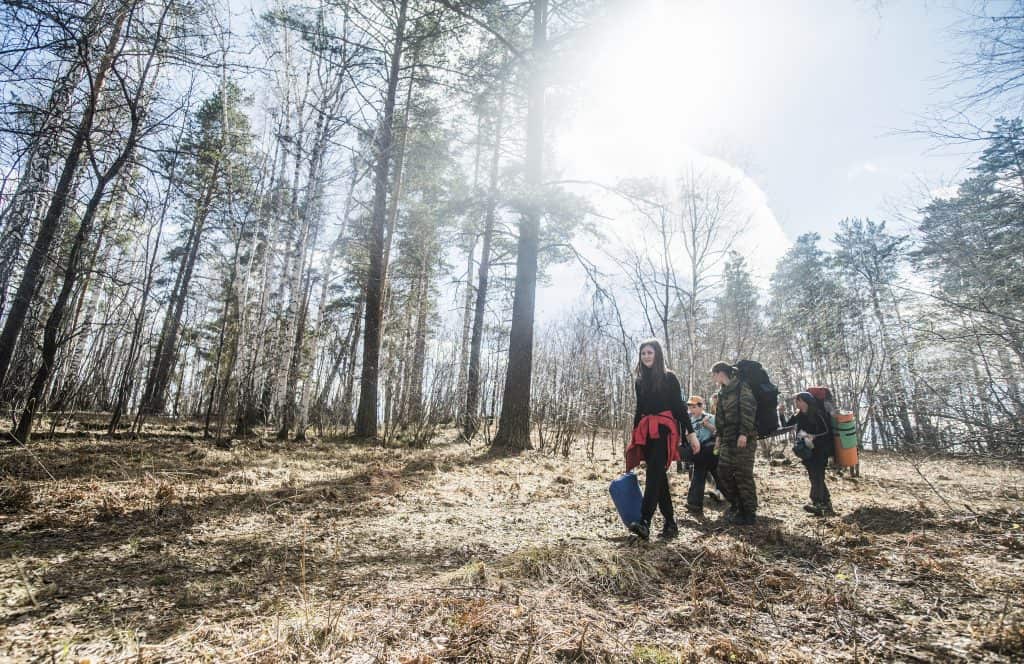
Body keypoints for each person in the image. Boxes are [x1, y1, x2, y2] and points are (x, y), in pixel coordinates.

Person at [627, 339, 700, 540]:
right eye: (643, 353)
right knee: (658, 475)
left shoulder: (669, 377)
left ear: (657, 354)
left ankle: (645, 521)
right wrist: (635, 435)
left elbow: (680, 408)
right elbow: (639, 409)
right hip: (647, 431)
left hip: (665, 432)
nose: (646, 356)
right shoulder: (640, 381)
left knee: (654, 472)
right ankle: (670, 523)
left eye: (649, 352)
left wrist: (691, 434)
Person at [710, 361, 758, 526]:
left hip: (744, 437)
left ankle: (749, 512)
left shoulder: (741, 386)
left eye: (714, 374)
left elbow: (748, 410)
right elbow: (720, 417)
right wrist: (719, 437)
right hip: (727, 438)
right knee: (723, 471)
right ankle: (737, 505)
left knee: (743, 474)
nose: (713, 378)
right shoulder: (722, 392)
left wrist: (744, 433)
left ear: (720, 373)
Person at [781, 392, 835, 516]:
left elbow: (827, 431)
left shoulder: (818, 414)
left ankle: (818, 503)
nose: (796, 403)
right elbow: (785, 426)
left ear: (805, 401)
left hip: (821, 450)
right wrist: (781, 414)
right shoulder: (798, 415)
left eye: (798, 400)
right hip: (807, 451)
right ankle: (826, 503)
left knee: (818, 476)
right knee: (814, 476)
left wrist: (813, 436)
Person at [684, 395, 725, 517]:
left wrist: (707, 425)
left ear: (701, 407)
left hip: (711, 449)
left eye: (694, 407)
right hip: (699, 451)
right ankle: (729, 496)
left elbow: (719, 433)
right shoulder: (689, 421)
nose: (691, 409)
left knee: (703, 472)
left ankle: (695, 504)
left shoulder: (710, 418)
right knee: (712, 473)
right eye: (690, 407)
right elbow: (688, 437)